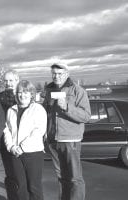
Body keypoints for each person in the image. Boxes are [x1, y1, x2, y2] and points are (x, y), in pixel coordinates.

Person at [43, 63, 91, 200]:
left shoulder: (77, 91)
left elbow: (86, 116)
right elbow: (45, 113)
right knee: (61, 178)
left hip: (70, 140)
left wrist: (67, 107)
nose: (56, 76)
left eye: (60, 73)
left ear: (67, 74)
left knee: (75, 178)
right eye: (54, 73)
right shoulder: (48, 91)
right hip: (53, 141)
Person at [4, 80, 47, 200]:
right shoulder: (11, 110)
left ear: (31, 94)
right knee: (20, 187)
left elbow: (39, 131)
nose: (22, 95)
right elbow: (6, 130)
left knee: (34, 187)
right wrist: (11, 147)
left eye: (25, 92)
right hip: (15, 154)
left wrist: (22, 147)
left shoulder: (38, 109)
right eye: (19, 92)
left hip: (33, 154)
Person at [0, 69, 20, 200]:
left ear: (17, 81)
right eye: (6, 81)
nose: (8, 83)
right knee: (10, 174)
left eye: (11, 80)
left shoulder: (23, 96)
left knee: (21, 176)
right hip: (4, 141)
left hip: (21, 141)